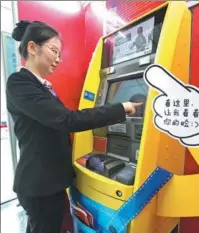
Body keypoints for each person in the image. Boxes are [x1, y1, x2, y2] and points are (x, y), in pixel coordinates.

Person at [6, 20, 142, 233]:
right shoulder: (19, 83)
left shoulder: (41, 86)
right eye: (54, 51)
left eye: (60, 54)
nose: (58, 60)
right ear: (32, 48)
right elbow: (68, 120)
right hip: (39, 184)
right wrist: (121, 109)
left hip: (51, 181)